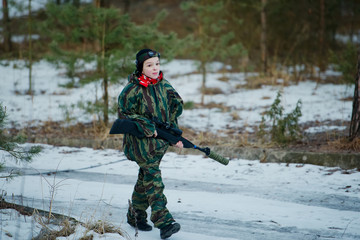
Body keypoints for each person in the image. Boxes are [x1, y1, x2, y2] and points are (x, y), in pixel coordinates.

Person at [118, 49, 183, 239]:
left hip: (158, 144)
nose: (155, 68)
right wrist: (146, 125)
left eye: (157, 63)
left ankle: (135, 216)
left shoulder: (163, 85)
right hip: (140, 145)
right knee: (154, 180)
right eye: (149, 65)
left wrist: (173, 134)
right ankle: (164, 221)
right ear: (141, 67)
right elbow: (124, 115)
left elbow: (173, 109)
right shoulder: (132, 90)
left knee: (145, 179)